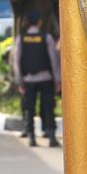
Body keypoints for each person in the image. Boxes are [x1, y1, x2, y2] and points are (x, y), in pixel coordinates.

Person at [12, 10, 60, 147]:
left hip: (28, 80)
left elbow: (17, 60)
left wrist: (19, 80)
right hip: (46, 79)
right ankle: (51, 137)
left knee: (29, 108)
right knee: (48, 107)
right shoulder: (47, 37)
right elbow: (54, 60)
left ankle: (31, 137)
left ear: (26, 23)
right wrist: (57, 79)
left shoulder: (20, 39)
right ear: (39, 22)